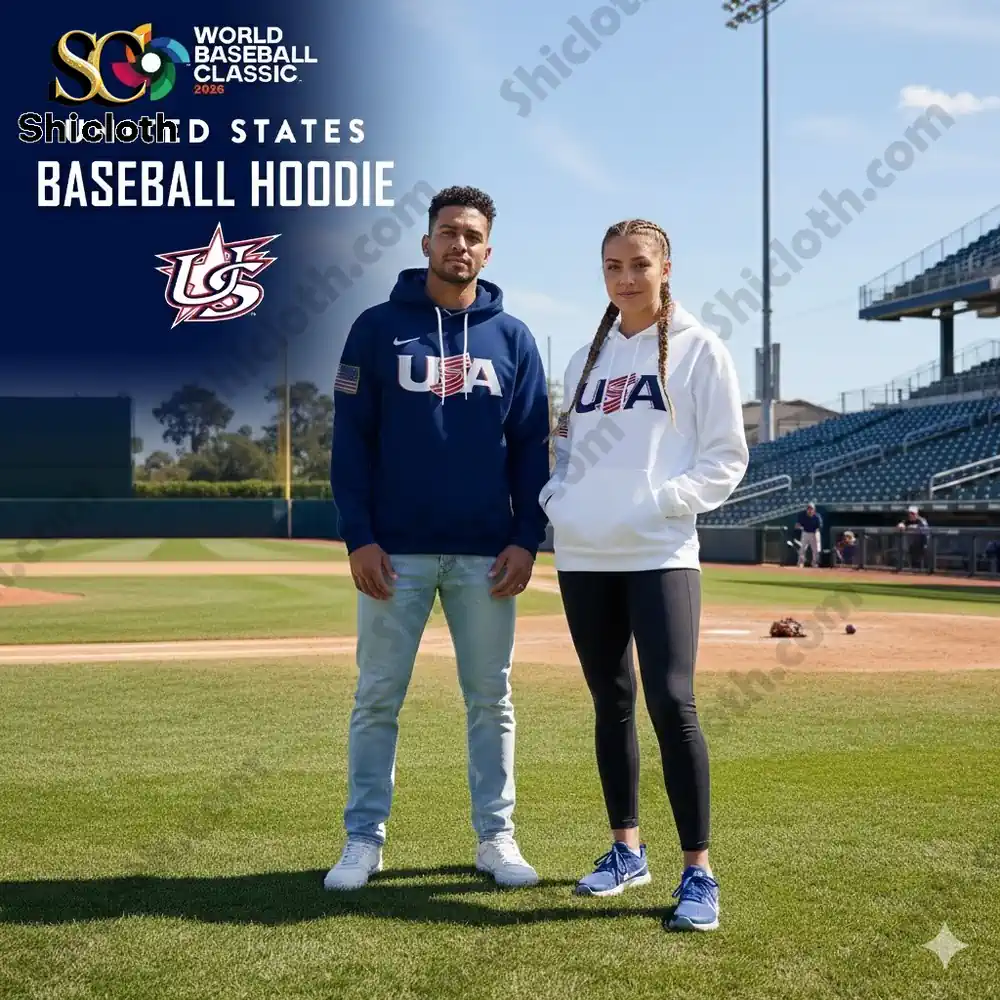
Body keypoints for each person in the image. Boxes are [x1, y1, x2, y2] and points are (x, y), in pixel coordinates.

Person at [326, 185, 551, 890]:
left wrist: (526, 536)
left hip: (488, 555)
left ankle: (496, 837)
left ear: (489, 249)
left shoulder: (512, 337)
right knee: (377, 698)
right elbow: (350, 443)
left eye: (473, 235)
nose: (460, 244)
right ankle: (364, 839)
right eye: (449, 231)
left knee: (492, 700)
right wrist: (359, 536)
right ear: (426, 241)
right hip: (396, 553)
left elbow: (532, 449)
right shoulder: (375, 327)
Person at [539, 219, 749, 931]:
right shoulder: (583, 358)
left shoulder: (700, 350)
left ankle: (699, 873)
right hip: (583, 555)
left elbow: (725, 458)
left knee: (672, 700)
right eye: (612, 266)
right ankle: (626, 851)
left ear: (666, 268)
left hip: (659, 553)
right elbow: (565, 451)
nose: (625, 278)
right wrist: (558, 501)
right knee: (611, 700)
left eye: (638, 264)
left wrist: (663, 504)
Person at [897, 505, 929, 571]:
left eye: (912, 513)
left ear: (916, 514)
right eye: (910, 513)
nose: (910, 515)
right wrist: (901, 526)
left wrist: (925, 545)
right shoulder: (907, 521)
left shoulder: (922, 520)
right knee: (912, 562)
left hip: (922, 544)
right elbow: (900, 525)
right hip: (911, 544)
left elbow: (925, 532)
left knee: (921, 563)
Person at [794, 502, 822, 568]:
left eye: (811, 509)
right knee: (802, 549)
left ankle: (814, 563)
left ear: (814, 510)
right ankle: (800, 563)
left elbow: (819, 526)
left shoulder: (817, 516)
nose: (810, 510)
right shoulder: (802, 515)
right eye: (808, 508)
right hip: (805, 533)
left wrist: (816, 532)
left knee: (815, 550)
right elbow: (798, 524)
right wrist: (798, 526)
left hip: (814, 533)